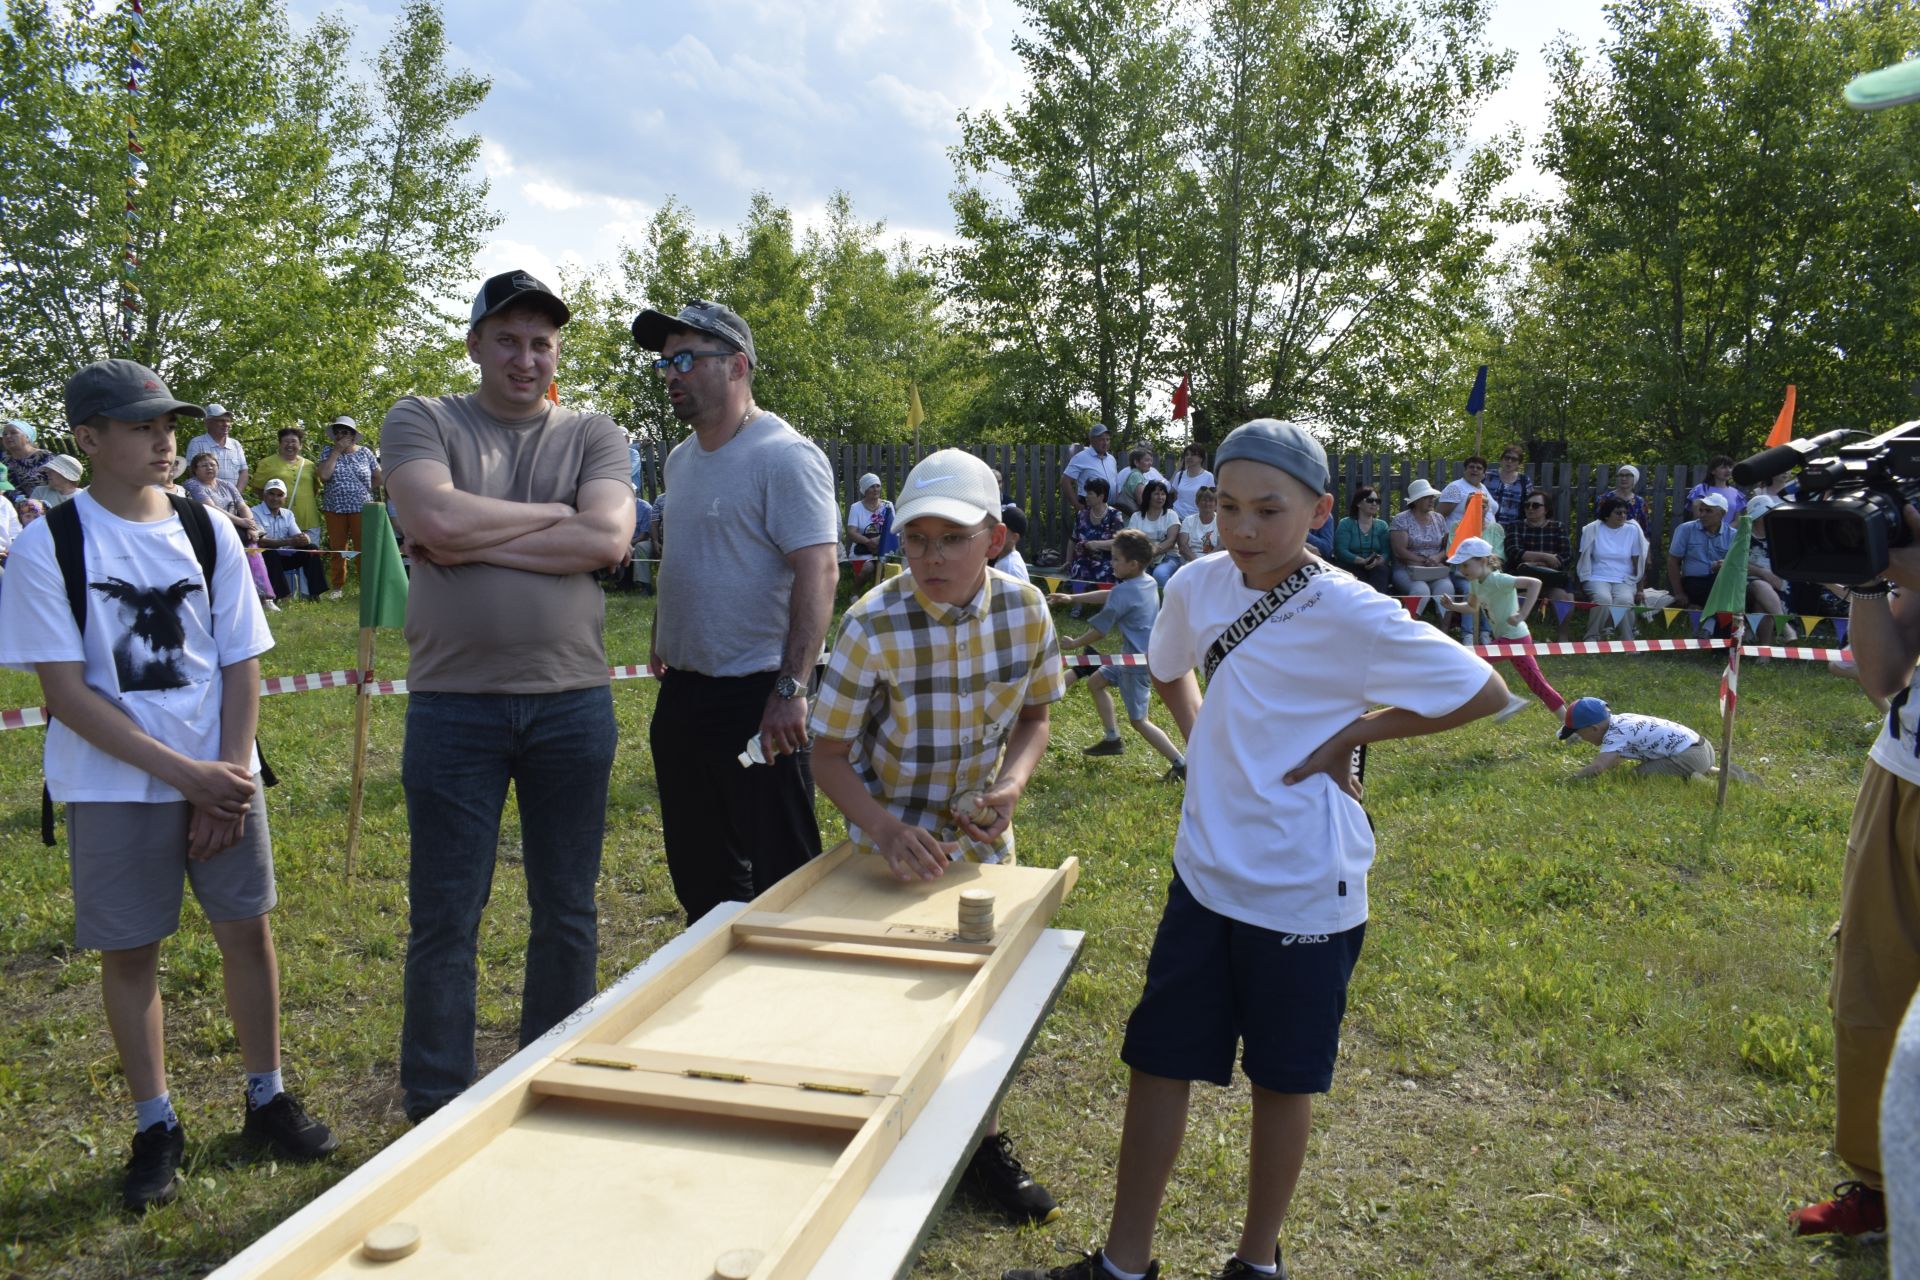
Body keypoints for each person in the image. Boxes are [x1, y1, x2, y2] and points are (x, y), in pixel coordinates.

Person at [1005, 419, 1506, 1280]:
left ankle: (1255, 1265)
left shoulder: (1354, 610)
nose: (1242, 529)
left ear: (1316, 512)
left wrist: (1352, 731)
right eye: (1226, 506)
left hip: (1307, 883)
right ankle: (1124, 1265)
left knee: (1284, 1081)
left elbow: (1483, 690)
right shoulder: (1196, 585)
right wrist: (1202, 742)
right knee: (1158, 1060)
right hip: (1203, 873)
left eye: (1267, 511)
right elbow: (1168, 668)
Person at [0, 359, 336, 1212]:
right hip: (116, 787)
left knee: (247, 932)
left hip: (225, 773)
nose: (164, 440)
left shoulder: (208, 527)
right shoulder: (50, 544)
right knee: (132, 951)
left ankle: (267, 1097)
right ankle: (156, 1123)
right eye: (142, 426)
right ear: (87, 439)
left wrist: (228, 776)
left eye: (167, 424)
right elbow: (65, 693)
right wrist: (186, 776)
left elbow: (241, 661)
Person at [382, 269, 635, 1123]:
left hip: (572, 702)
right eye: (508, 340)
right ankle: (434, 1103)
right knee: (446, 916)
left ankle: (552, 1078)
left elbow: (607, 535)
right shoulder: (423, 418)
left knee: (568, 907)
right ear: (475, 344)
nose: (526, 358)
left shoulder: (597, 432)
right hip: (454, 705)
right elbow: (434, 524)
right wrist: (551, 522)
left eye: (542, 343)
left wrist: (468, 533)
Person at [810, 447, 1067, 1225]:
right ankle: (870, 1139)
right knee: (882, 1002)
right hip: (882, 847)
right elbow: (825, 756)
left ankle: (978, 1146)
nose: (930, 557)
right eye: (916, 539)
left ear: (993, 538)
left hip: (983, 848)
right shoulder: (870, 623)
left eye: (950, 539)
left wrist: (1013, 787)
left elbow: (1036, 717)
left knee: (981, 1011)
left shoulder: (1026, 611)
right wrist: (885, 830)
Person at [635, 299, 838, 926]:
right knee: (700, 875)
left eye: (688, 359)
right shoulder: (680, 459)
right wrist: (661, 632)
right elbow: (689, 559)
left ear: (738, 366)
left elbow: (820, 571)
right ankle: (720, 999)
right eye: (667, 361)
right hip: (685, 696)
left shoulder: (786, 455)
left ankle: (797, 1007)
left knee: (785, 882)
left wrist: (790, 690)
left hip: (760, 700)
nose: (672, 373)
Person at [1051, 529, 1187, 779]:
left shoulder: (1127, 591)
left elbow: (1099, 631)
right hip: (1132, 657)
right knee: (1095, 682)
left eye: (1115, 559)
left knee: (1139, 721)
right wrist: (1071, 597)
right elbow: (1111, 595)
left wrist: (1074, 643)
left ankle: (1180, 764)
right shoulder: (1145, 581)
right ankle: (1112, 739)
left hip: (1136, 665)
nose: (1111, 563)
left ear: (1133, 564)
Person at [1439, 536, 1561, 719]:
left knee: (1476, 663)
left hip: (1515, 638)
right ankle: (1569, 723)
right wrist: (1453, 606)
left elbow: (1534, 583)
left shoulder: (1499, 580)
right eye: (1460, 565)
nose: (1461, 570)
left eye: (1465, 565)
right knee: (1537, 684)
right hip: (1510, 638)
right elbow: (1472, 607)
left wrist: (1522, 615)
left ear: (1482, 561)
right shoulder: (1475, 582)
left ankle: (1508, 700)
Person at [1558, 696, 1723, 782]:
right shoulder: (1621, 720)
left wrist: (1571, 780)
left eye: (1580, 733)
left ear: (1594, 729)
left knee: (1637, 775)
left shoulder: (1616, 734)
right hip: (1702, 748)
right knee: (1654, 766)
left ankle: (1696, 780)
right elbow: (1614, 760)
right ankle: (1718, 772)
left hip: (1691, 755)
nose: (1581, 738)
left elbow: (1598, 767)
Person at [1504, 491, 1576, 637]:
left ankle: (1563, 638)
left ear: (1546, 509)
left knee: (1565, 599)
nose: (1530, 508)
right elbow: (1514, 552)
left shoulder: (1558, 527)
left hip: (1552, 579)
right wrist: (1546, 557)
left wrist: (1540, 563)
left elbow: (1567, 556)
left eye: (1535, 505)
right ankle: (1516, 636)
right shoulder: (1516, 526)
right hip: (1524, 578)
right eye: (1527, 505)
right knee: (1520, 599)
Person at [1577, 495, 1649, 641]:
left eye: (1624, 512)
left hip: (1624, 579)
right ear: (1607, 514)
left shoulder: (1633, 530)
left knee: (1624, 600)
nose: (1623, 516)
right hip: (1597, 577)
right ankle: (1592, 637)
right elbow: (1583, 558)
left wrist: (1640, 589)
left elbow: (1638, 562)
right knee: (1603, 599)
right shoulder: (1592, 529)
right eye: (1618, 512)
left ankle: (1628, 641)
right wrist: (1579, 584)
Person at [252, 479, 328, 602]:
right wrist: (289, 542)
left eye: (279, 495)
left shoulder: (288, 514)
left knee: (311, 548)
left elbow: (298, 536)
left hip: (285, 557)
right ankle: (283, 595)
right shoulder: (254, 512)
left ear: (284, 498)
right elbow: (261, 541)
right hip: (263, 559)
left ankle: (315, 594)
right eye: (271, 494)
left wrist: (304, 538)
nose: (275, 498)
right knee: (269, 551)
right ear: (264, 495)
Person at [1667, 493, 1736, 613]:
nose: (1702, 515)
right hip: (1694, 582)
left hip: (1720, 583)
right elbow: (1673, 561)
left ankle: (1710, 625)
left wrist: (1726, 564)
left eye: (1708, 511)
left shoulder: (1733, 535)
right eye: (1701, 510)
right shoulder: (1685, 529)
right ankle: (1710, 623)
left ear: (1722, 514)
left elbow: (1739, 565)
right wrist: (1679, 593)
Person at [252, 427, 322, 546]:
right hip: (280, 522)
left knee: (309, 558)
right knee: (282, 560)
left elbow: (315, 489)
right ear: (279, 444)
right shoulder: (266, 463)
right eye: (286, 441)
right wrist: (275, 504)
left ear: (300, 445)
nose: (290, 445)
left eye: (294, 441)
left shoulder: (310, 465)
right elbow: (258, 489)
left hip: (308, 520)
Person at [1388, 478, 1455, 602]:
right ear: (1416, 500)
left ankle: (1444, 622)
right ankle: (1409, 621)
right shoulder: (1401, 519)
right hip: (1407, 569)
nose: (1431, 500)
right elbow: (1399, 552)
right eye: (1426, 497)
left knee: (1447, 588)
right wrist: (1424, 561)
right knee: (1420, 590)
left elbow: (1448, 545)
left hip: (1435, 568)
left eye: (1432, 497)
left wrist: (1438, 557)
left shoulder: (1439, 518)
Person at [1067, 476, 1124, 591]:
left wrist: (1096, 544)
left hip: (1107, 560)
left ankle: (1106, 605)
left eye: (1090, 493)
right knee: (1078, 568)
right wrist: (1068, 562)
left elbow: (1119, 542)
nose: (1086, 496)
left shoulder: (1114, 515)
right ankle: (1077, 605)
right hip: (1083, 559)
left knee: (1105, 570)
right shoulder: (1082, 514)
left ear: (1101, 496)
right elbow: (1073, 539)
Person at [1334, 486, 1392, 591]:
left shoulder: (1382, 525)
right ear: (1358, 503)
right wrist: (1361, 561)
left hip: (1376, 567)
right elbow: (1340, 551)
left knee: (1381, 571)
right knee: (1357, 576)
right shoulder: (1346, 524)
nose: (1374, 503)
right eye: (1370, 500)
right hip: (1350, 565)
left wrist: (1378, 561)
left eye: (1377, 501)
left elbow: (1386, 552)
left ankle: (1377, 604)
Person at [1126, 479, 1182, 588]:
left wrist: (1150, 553)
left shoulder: (1171, 515)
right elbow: (1132, 541)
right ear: (1148, 495)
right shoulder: (1136, 517)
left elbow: (1171, 542)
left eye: (1163, 494)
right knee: (1135, 575)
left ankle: (1166, 603)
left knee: (1159, 574)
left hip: (1168, 557)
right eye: (1156, 494)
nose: (1160, 497)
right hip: (1142, 558)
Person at [1059, 422, 1118, 521]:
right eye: (1102, 439)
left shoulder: (1111, 459)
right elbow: (1065, 482)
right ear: (1092, 440)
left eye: (1108, 439)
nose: (1105, 443)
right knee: (1089, 536)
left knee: (1108, 537)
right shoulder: (1081, 457)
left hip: (1109, 509)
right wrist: (1077, 505)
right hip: (1089, 508)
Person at [844, 472, 895, 584]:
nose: (876, 489)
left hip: (884, 548)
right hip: (862, 549)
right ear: (865, 489)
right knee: (868, 568)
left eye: (878, 486)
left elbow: (893, 528)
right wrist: (868, 542)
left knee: (887, 570)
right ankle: (855, 594)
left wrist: (878, 540)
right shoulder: (856, 507)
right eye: (872, 486)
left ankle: (880, 596)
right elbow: (852, 532)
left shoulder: (887, 506)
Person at [185, 403, 249, 492]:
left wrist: (237, 495)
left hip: (233, 500)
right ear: (208, 423)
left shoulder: (235, 444)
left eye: (228, 421)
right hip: (206, 499)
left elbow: (244, 472)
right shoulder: (197, 443)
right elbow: (192, 472)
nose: (226, 424)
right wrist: (210, 496)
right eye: (221, 421)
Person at [1437, 455, 1493, 534]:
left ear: (1484, 473)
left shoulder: (1482, 487)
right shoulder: (1455, 488)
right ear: (1465, 470)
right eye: (1471, 467)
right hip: (1460, 538)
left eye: (1479, 468)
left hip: (1484, 538)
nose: (1475, 470)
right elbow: (1439, 517)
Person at [2, 417, 55, 499]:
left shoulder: (45, 457)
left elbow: (60, 485)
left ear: (27, 437)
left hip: (47, 506)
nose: (8, 436)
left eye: (13, 432)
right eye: (4, 434)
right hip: (13, 509)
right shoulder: (3, 462)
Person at [1484, 446, 1532, 526]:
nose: (1509, 461)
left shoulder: (1524, 481)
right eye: (1507, 458)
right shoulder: (1487, 476)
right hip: (1487, 526)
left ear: (1518, 463)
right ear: (1502, 459)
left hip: (1513, 528)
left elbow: (1530, 503)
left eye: (1514, 459)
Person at [1596, 464, 1649, 534]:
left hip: (1631, 540)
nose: (1623, 478)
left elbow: (1644, 525)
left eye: (1628, 475)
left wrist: (1645, 542)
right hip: (1608, 538)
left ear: (1635, 478)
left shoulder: (1640, 502)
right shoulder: (1604, 499)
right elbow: (1598, 522)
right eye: (1621, 475)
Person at [1114, 447, 1167, 515]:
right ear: (1136, 462)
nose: (1150, 463)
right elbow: (1142, 501)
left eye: (1151, 460)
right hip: (1132, 518)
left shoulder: (1136, 474)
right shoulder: (1136, 476)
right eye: (1147, 460)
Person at [1176, 485, 1219, 566]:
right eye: (1204, 500)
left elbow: (1221, 546)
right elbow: (1183, 546)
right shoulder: (1188, 520)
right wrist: (1198, 562)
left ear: (1216, 504)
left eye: (1211, 500)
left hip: (1213, 560)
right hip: (1191, 560)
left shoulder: (1221, 521)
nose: (1207, 503)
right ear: (1197, 502)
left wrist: (1206, 562)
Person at [1169, 444, 1213, 518]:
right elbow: (1176, 496)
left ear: (1201, 458)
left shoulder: (1208, 476)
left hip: (1196, 518)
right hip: (1177, 516)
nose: (1189, 457)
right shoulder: (1180, 475)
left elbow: (1210, 499)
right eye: (1187, 455)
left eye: (1193, 454)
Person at [993, 505, 1033, 583]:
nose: (994, 530)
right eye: (994, 525)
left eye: (1002, 529)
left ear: (1014, 537)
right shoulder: (1001, 561)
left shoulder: (1012, 570)